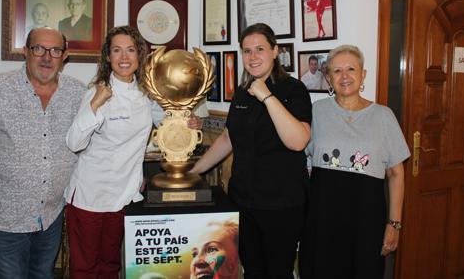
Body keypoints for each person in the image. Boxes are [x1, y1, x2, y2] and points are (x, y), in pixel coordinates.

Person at [64, 25, 202, 278]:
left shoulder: (146, 94)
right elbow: (74, 143)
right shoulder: (97, 92)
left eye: (130, 50)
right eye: (117, 50)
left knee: (110, 265)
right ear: (108, 57)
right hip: (89, 197)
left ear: (140, 56)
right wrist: (95, 104)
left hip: (123, 196)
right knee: (85, 269)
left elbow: (171, 120)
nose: (124, 57)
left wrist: (191, 122)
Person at [190, 23, 312, 278]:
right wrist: (194, 172)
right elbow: (227, 138)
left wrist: (267, 97)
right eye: (247, 51)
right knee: (252, 271)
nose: (253, 57)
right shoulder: (242, 93)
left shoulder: (294, 89)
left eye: (260, 49)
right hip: (244, 201)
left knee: (278, 271)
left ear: (275, 51)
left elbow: (298, 141)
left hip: (282, 204)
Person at [0, 27, 85, 278]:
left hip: (51, 214)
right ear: (25, 52)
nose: (46, 57)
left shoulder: (77, 93)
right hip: (7, 214)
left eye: (55, 50)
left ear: (65, 56)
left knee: (43, 274)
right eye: (38, 48)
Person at [298, 45, 409, 279]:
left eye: (351, 69)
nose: (344, 76)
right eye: (336, 71)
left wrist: (394, 224)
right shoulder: (315, 111)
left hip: (366, 224)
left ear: (363, 75)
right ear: (328, 78)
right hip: (321, 222)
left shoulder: (384, 116)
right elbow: (298, 153)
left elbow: (396, 174)